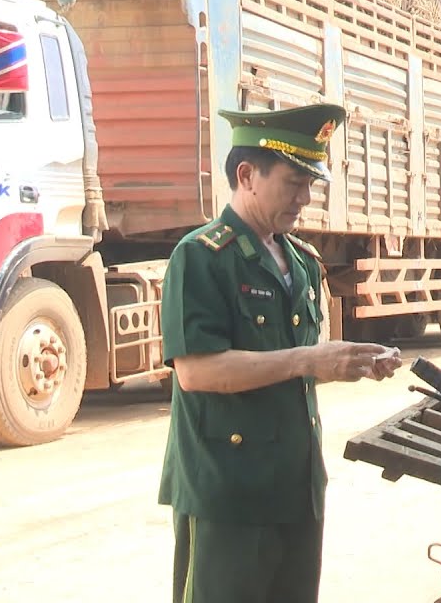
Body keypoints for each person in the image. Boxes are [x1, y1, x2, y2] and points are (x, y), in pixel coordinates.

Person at [157, 103, 402, 603]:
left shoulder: (301, 263)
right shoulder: (202, 257)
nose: (305, 198)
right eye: (293, 183)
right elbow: (197, 371)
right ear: (247, 175)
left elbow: (299, 362)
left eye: (310, 184)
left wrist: (349, 361)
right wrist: (309, 361)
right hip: (230, 497)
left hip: (297, 490)